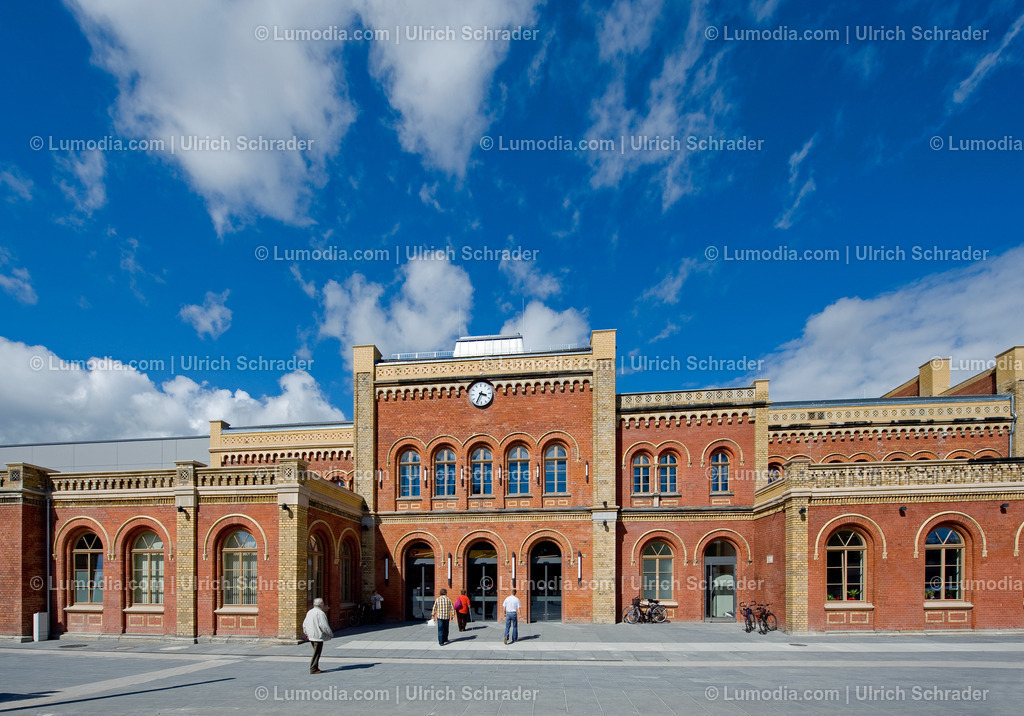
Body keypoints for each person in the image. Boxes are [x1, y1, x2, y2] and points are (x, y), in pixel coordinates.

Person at [302, 598, 332, 674]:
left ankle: (315, 667)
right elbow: (324, 626)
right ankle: (313, 668)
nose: (323, 605)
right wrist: (330, 633)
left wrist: (306, 633)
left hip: (311, 635)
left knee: (316, 652)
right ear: (320, 604)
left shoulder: (310, 612)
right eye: (323, 603)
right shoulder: (320, 613)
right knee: (317, 653)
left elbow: (304, 624)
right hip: (318, 636)